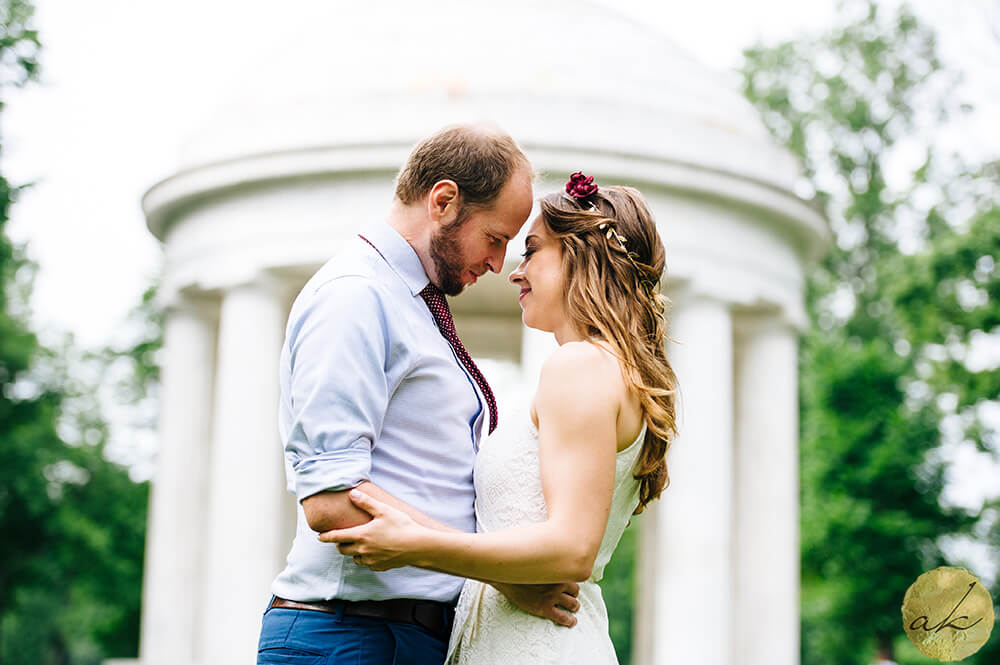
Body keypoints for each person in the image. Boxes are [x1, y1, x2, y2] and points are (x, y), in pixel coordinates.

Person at [319, 172, 681, 664]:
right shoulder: (607, 369)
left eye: (531, 250)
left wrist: (414, 546)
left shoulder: (580, 365)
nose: (515, 269)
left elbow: (573, 546)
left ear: (581, 256)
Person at [258, 126, 583, 665]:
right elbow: (331, 501)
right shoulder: (356, 297)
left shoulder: (410, 302)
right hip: (348, 637)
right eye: (496, 238)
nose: (499, 264)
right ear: (445, 201)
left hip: (402, 638)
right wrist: (500, 577)